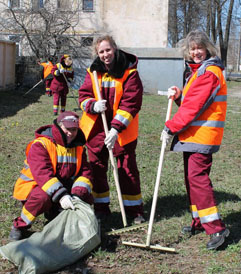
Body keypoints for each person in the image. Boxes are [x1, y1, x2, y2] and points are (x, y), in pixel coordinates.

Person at [161, 30, 229, 250]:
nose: (196, 52)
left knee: (198, 180)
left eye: (199, 48)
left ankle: (217, 229)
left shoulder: (209, 72)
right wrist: (179, 95)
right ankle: (199, 221)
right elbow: (191, 103)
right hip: (193, 136)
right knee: (192, 180)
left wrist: (170, 127)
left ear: (207, 49)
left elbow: (193, 108)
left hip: (202, 136)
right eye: (192, 49)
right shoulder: (197, 72)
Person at [78, 35, 144, 224]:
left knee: (126, 169)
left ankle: (134, 211)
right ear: (97, 54)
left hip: (122, 132)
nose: (105, 54)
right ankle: (101, 208)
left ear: (114, 49)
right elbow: (83, 96)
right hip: (95, 130)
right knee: (97, 169)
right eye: (101, 52)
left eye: (108, 50)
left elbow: (131, 103)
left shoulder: (129, 72)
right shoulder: (93, 72)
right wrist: (93, 105)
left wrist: (115, 129)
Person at [9, 111, 93, 241]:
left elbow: (85, 172)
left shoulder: (79, 147)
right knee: (42, 198)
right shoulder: (40, 144)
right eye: (67, 129)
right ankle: (19, 226)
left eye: (74, 130)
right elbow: (43, 174)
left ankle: (55, 213)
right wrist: (62, 195)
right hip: (36, 185)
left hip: (61, 187)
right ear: (59, 127)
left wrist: (77, 194)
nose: (71, 133)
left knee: (86, 197)